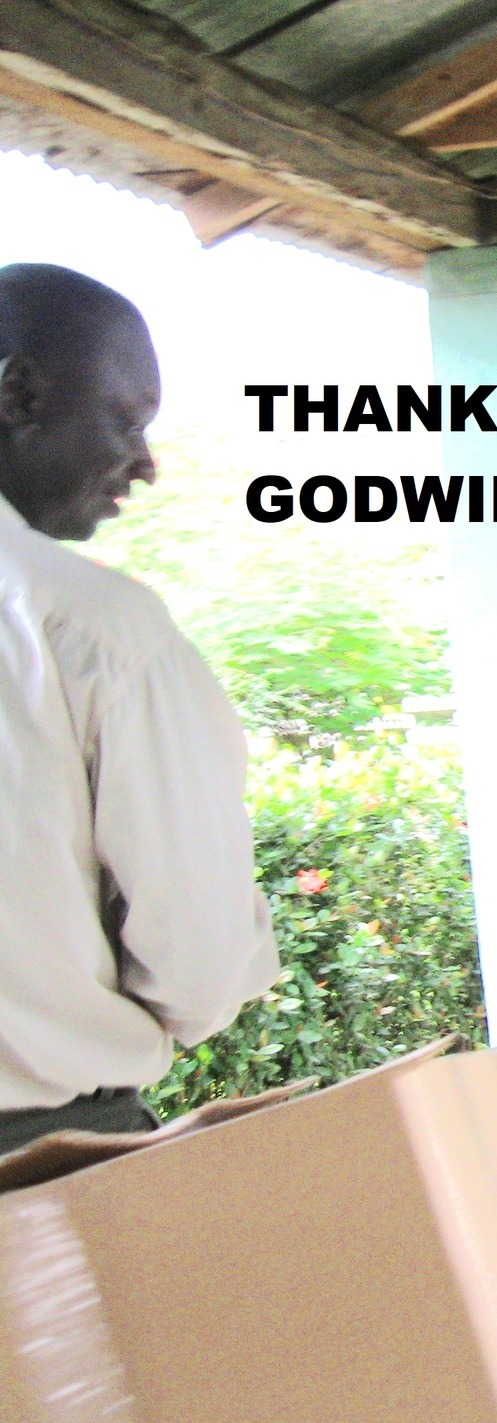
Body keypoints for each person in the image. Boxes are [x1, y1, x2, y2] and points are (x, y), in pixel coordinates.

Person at [0, 264, 277, 1157]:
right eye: (127, 420)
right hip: (35, 1164)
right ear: (19, 394)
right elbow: (199, 960)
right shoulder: (93, 631)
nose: (146, 463)